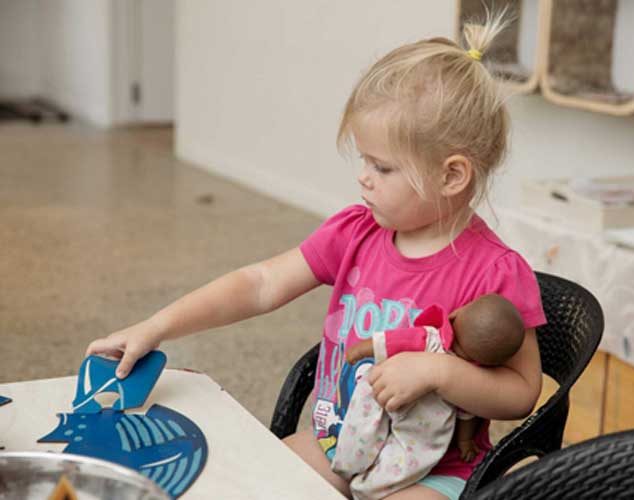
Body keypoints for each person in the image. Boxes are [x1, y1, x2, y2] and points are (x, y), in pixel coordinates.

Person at [86, 8, 547, 500]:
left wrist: (440, 371)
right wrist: (156, 327)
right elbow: (260, 284)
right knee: (250, 486)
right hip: (337, 444)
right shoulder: (356, 232)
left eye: (383, 167)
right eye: (363, 160)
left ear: (452, 176)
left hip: (434, 469)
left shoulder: (495, 272)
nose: (363, 177)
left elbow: (522, 392)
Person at [333, 296, 525, 499]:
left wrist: (361, 349)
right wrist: (465, 440)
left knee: (363, 426)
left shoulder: (429, 337)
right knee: (409, 458)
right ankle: (369, 487)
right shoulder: (467, 375)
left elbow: (389, 341)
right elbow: (466, 415)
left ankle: (350, 463)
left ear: (457, 314)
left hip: (384, 396)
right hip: (422, 421)